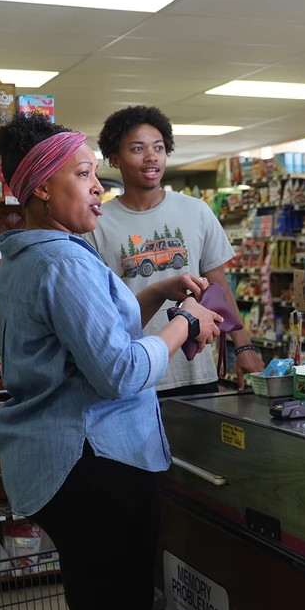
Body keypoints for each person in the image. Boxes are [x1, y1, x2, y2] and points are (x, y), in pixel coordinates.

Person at [0, 113, 223, 610]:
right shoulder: (63, 261)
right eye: (83, 174)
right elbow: (118, 370)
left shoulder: (30, 253)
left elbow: (90, 338)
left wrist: (154, 295)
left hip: (64, 460)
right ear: (42, 188)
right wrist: (184, 326)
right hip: (91, 457)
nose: (100, 187)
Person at [84, 105, 265, 395]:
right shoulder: (96, 223)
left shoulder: (196, 211)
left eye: (158, 147)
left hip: (196, 370)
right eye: (137, 148)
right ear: (115, 159)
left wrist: (242, 346)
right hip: (134, 371)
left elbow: (218, 285)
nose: (151, 156)